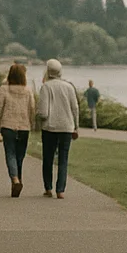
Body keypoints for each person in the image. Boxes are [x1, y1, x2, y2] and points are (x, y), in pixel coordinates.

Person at [35, 59, 79, 198]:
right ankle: (61, 190)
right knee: (63, 158)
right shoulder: (69, 87)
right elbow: (75, 108)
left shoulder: (46, 87)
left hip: (50, 127)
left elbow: (43, 112)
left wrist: (37, 116)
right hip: (66, 127)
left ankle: (48, 188)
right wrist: (76, 127)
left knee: (48, 158)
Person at [0, 64, 36, 198]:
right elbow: (32, 109)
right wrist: (31, 124)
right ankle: (17, 182)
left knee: (10, 154)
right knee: (20, 157)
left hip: (8, 126)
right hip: (24, 127)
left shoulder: (3, 89)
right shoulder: (28, 91)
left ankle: (15, 180)